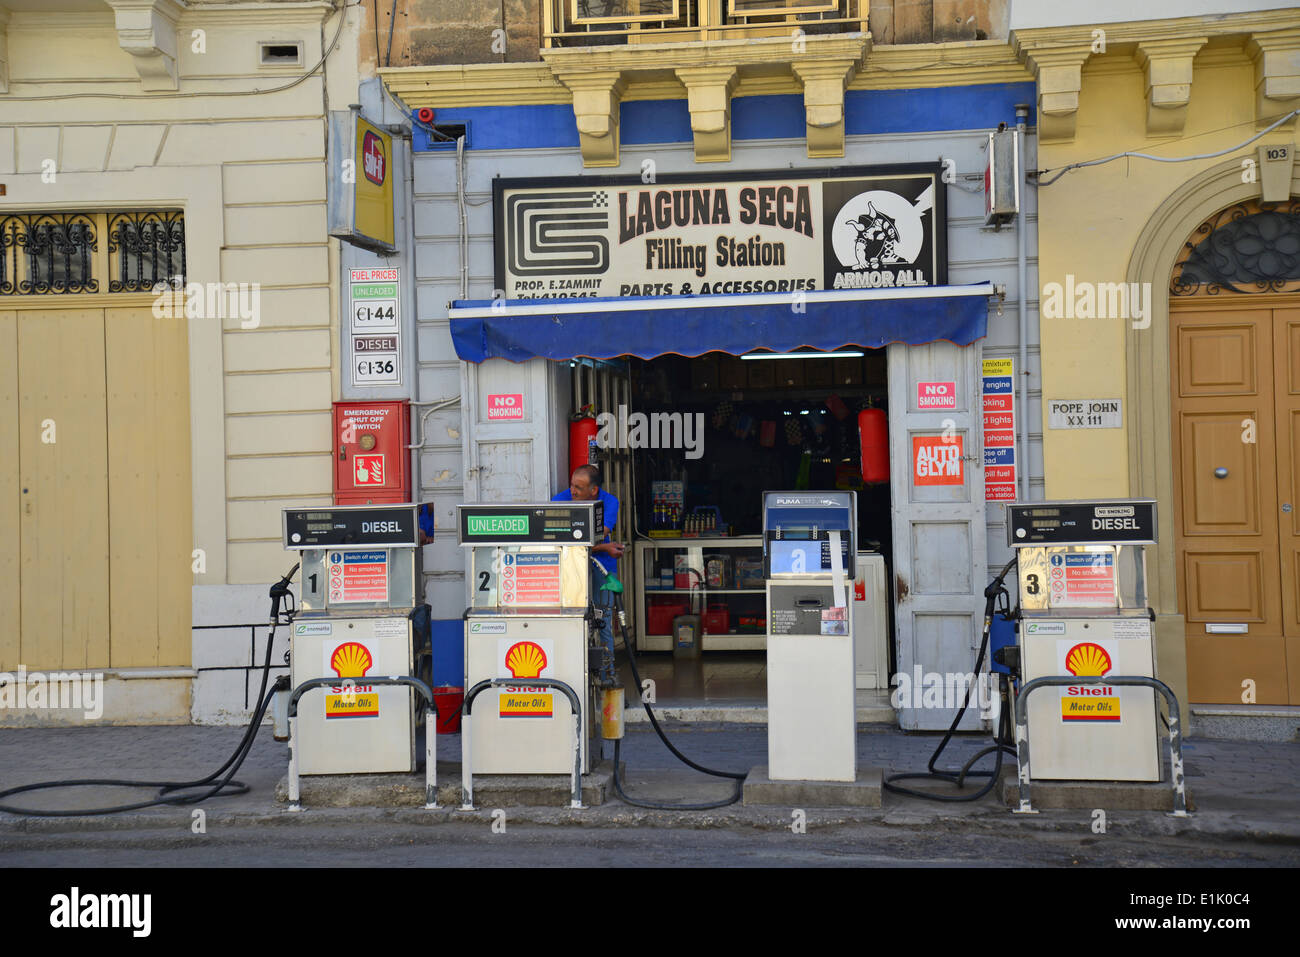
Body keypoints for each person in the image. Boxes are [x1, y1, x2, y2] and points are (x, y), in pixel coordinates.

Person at [552, 465, 624, 677]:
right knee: (573, 621)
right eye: (572, 485)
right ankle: (573, 676)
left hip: (601, 571)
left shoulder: (609, 502)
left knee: (603, 622)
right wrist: (606, 548)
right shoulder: (559, 500)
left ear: (594, 491)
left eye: (579, 488)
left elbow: (596, 536)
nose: (572, 491)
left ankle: (607, 678)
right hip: (571, 571)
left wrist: (600, 546)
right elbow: (563, 542)